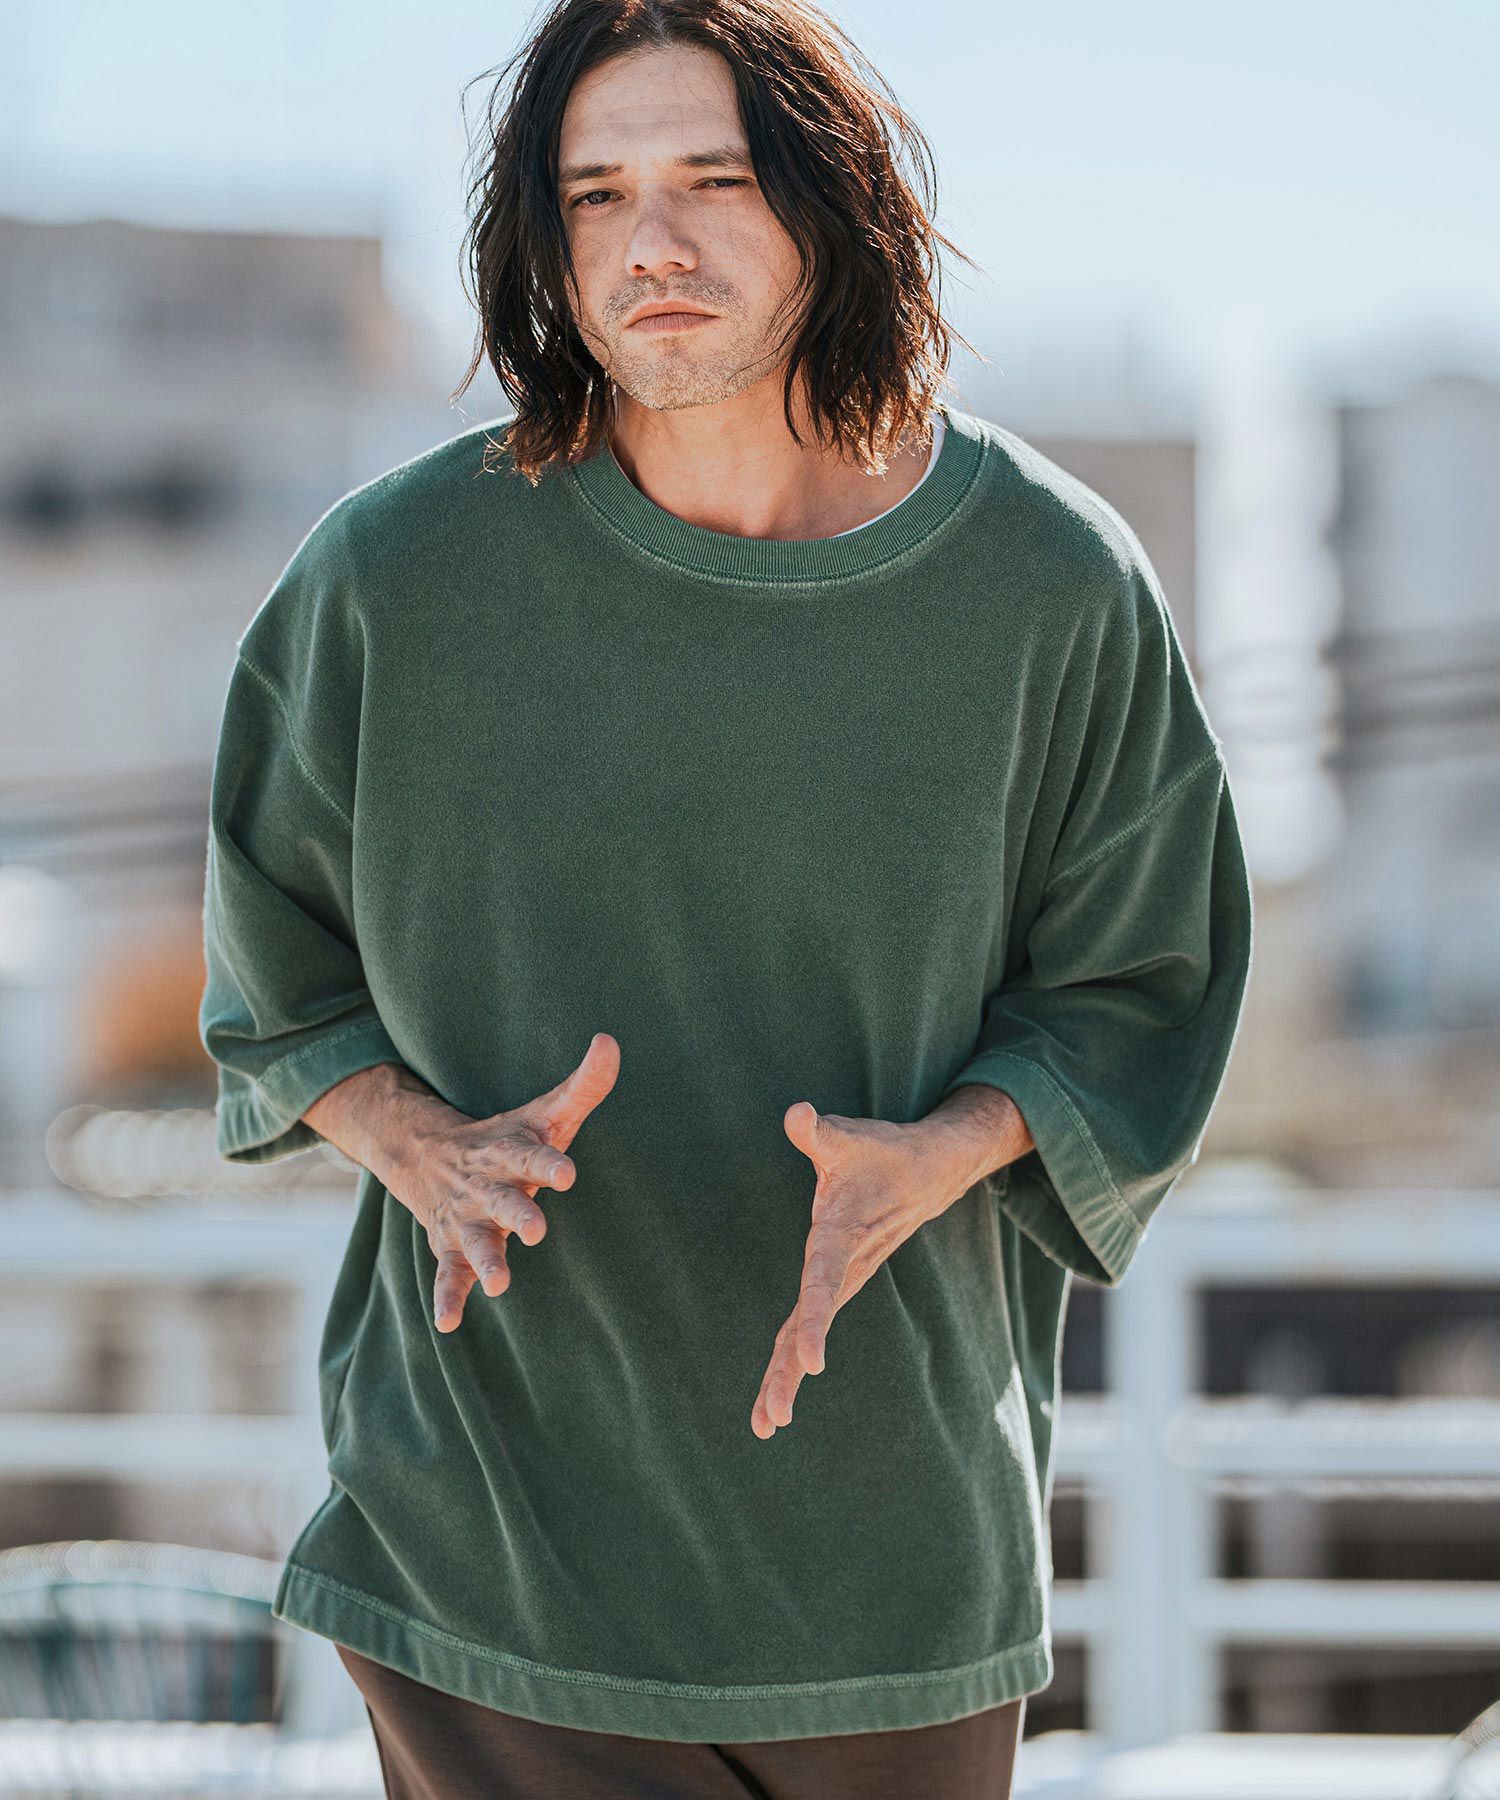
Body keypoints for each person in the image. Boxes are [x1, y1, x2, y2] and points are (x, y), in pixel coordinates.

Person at [197, 0, 1255, 1793]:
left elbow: (1145, 977)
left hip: (893, 1556)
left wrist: (949, 1148)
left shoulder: (1051, 584)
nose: (652, 245)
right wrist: (413, 1141)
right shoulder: (391, 579)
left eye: (715, 179)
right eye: (596, 194)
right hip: (487, 1544)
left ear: (835, 209)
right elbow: (269, 959)